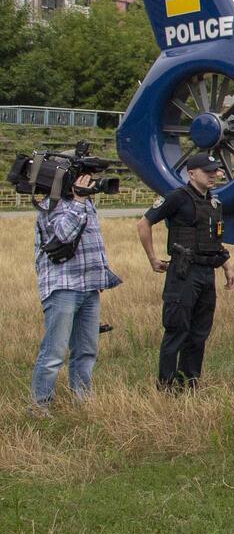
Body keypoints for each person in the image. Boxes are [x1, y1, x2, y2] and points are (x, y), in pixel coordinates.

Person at [135, 152, 234, 391]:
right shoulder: (177, 198)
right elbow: (144, 223)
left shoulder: (214, 203)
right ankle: (166, 385)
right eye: (207, 172)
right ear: (191, 174)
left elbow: (214, 240)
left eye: (215, 171)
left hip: (206, 272)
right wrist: (152, 258)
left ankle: (189, 383)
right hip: (184, 272)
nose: (213, 176)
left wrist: (227, 266)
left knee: (199, 332)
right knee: (177, 330)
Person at [30, 162, 121, 413]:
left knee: (86, 351)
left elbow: (94, 242)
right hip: (63, 288)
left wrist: (100, 277)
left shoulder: (86, 203)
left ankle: (82, 402)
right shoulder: (51, 205)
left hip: (89, 287)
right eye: (85, 179)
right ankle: (39, 406)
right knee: (54, 353)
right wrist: (79, 202)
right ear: (70, 182)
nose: (90, 184)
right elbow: (63, 235)